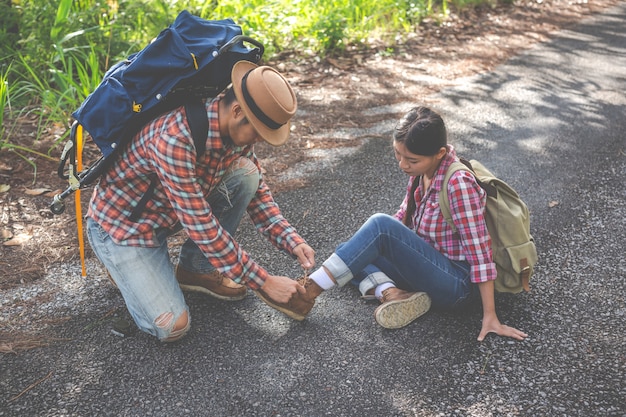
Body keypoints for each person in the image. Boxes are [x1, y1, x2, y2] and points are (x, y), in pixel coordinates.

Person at [86, 61, 315, 342]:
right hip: (124, 228)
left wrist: (292, 241)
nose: (259, 140)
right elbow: (202, 226)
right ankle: (121, 268)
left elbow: (258, 197)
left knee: (246, 174)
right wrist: (265, 282)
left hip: (168, 212)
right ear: (237, 110)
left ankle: (196, 270)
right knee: (173, 327)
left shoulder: (234, 131)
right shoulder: (173, 139)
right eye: (257, 131)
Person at [261, 106, 528, 342]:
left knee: (375, 229)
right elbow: (398, 222)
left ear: (440, 153)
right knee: (352, 249)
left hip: (457, 284)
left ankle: (307, 294)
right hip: (431, 266)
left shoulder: (458, 183)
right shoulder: (422, 172)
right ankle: (391, 292)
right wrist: (371, 242)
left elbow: (480, 252)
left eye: (411, 160)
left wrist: (490, 316)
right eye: (398, 155)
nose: (403, 165)